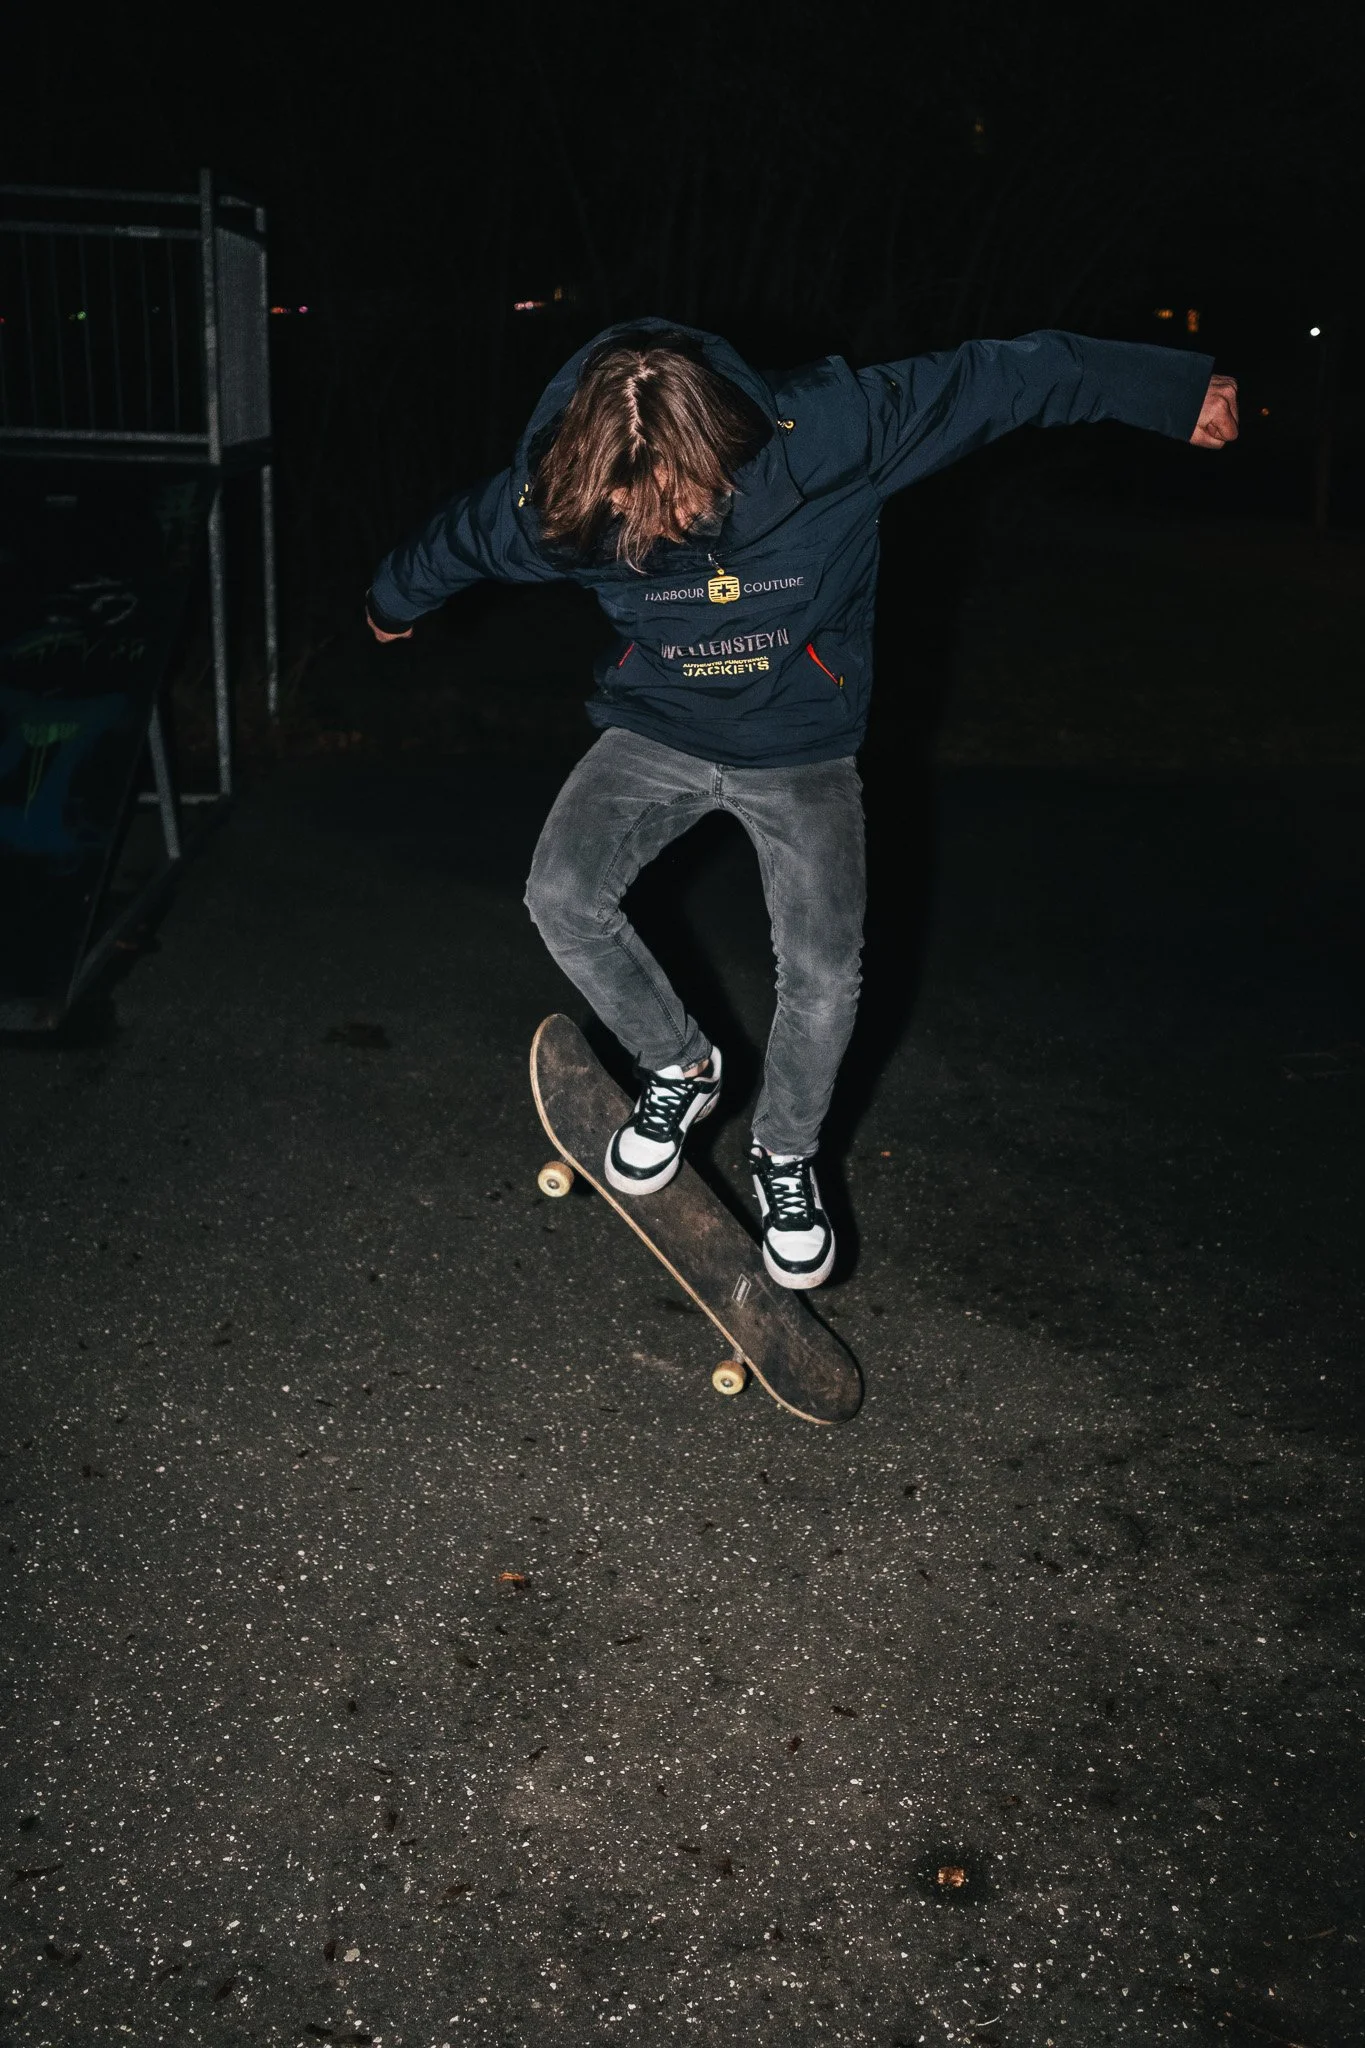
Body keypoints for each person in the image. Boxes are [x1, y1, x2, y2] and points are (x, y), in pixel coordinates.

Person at [367, 319, 1238, 1289]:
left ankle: (785, 1156)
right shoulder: (557, 505)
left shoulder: (833, 433)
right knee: (562, 892)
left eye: (673, 503)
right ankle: (680, 1068)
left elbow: (996, 380)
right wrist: (390, 602)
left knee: (824, 968)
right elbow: (455, 538)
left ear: (722, 455)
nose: (644, 529)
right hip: (658, 727)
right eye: (621, 508)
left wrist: (1168, 388)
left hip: (801, 745)